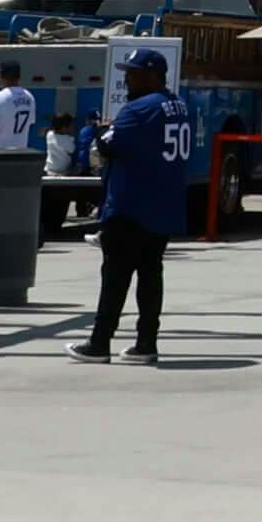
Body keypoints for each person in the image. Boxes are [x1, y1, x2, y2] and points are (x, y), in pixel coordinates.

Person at [81, 46, 194, 362]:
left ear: (152, 75)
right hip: (164, 204)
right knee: (150, 274)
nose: (127, 79)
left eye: (133, 73)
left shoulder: (139, 109)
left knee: (114, 277)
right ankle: (146, 342)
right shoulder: (179, 105)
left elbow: (107, 146)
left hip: (131, 205)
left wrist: (101, 130)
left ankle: (99, 342)